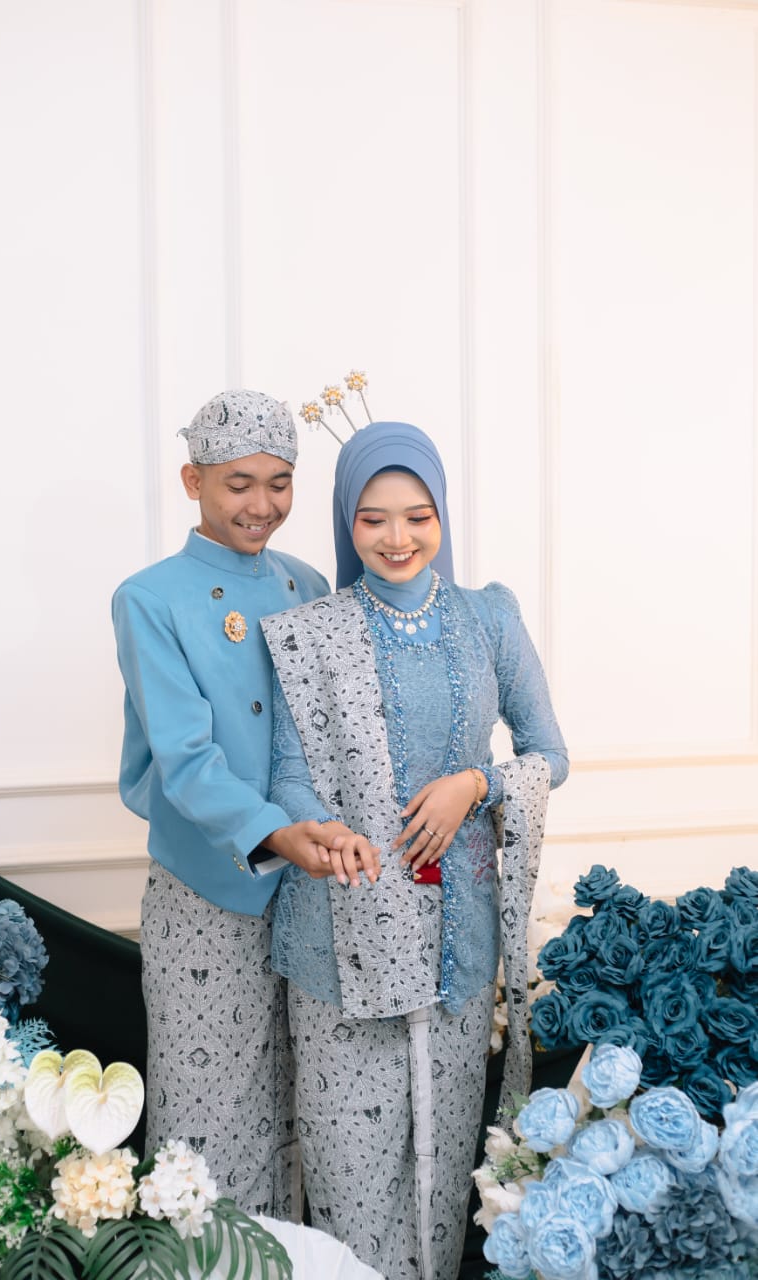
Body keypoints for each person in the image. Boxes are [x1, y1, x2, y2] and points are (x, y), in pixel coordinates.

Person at [260, 421, 569, 1279]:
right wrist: (322, 833)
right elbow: (288, 777)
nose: (396, 538)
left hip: (456, 941)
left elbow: (548, 752)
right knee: (350, 1184)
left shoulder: (487, 618)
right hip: (338, 937)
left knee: (440, 1186)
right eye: (372, 519)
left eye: (417, 516)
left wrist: (474, 783)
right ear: (345, 522)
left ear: (442, 517)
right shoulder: (310, 633)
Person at [112, 390, 372, 1220]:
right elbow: (185, 762)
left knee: (301, 1107)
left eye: (279, 482)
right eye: (238, 484)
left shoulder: (309, 584)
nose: (262, 504)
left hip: (309, 885)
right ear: (192, 481)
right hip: (206, 892)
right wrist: (276, 834)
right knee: (208, 1115)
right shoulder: (149, 598)